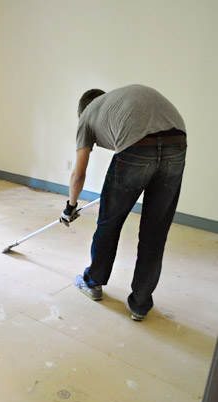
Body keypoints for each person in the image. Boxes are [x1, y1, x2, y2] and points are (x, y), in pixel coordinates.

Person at [61, 84, 187, 321]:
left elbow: (78, 174)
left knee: (109, 224)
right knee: (155, 234)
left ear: (83, 110)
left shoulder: (86, 115)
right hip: (176, 143)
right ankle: (140, 305)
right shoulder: (118, 102)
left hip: (137, 148)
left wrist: (71, 207)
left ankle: (93, 282)